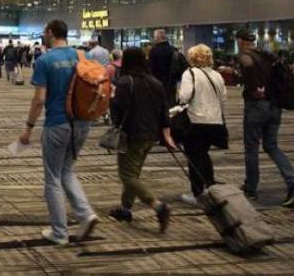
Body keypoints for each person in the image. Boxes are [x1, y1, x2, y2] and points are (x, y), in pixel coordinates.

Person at [14, 20, 98, 246]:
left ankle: (59, 232)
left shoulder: (45, 60)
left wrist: (28, 127)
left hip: (58, 123)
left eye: (44, 32)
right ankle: (86, 214)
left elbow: (39, 99)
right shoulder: (82, 56)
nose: (43, 35)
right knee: (67, 170)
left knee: (52, 178)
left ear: (51, 33)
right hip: (82, 123)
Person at [108, 47, 175, 232]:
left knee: (127, 175)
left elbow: (117, 109)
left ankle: (158, 206)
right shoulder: (155, 82)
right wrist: (167, 135)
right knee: (133, 173)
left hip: (131, 134)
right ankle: (125, 209)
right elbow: (164, 111)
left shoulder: (124, 82)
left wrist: (111, 98)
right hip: (150, 135)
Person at [235, 28, 294, 205]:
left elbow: (247, 67)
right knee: (271, 146)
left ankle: (251, 188)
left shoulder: (245, 55)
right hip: (275, 106)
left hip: (257, 106)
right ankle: (292, 181)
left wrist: (254, 85)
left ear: (240, 41)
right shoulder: (268, 54)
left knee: (251, 148)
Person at [178, 44, 228, 205]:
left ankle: (197, 192)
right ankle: (210, 186)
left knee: (194, 157)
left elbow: (184, 96)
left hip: (196, 120)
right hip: (214, 121)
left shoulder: (190, 73)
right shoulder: (216, 75)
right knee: (204, 154)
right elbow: (223, 98)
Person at [149, 29, 187, 107]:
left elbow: (151, 69)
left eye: (154, 37)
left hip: (157, 85)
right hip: (172, 85)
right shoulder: (174, 50)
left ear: (158, 38)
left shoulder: (154, 51)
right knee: (171, 106)